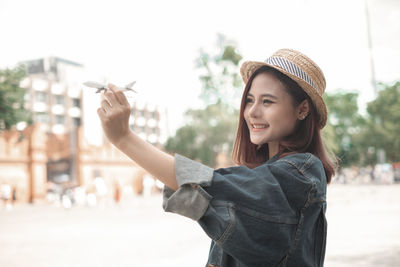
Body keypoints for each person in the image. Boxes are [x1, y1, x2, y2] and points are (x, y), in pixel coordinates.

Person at [97, 48, 336, 267]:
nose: (252, 111)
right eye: (250, 100)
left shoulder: (302, 172)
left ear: (303, 109)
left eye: (267, 101)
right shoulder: (261, 176)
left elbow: (210, 188)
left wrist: (124, 139)